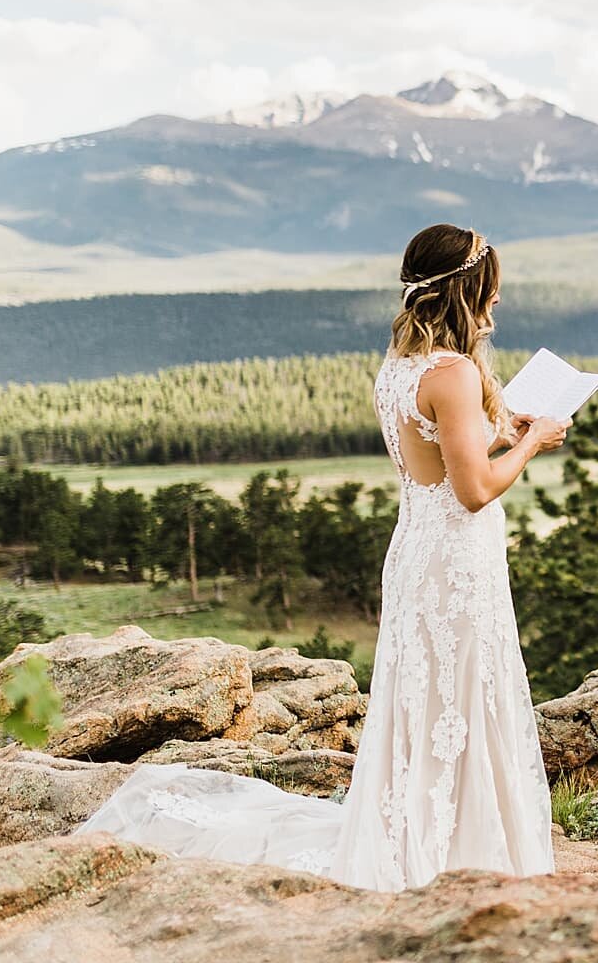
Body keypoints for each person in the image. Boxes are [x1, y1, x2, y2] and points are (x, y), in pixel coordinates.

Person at [78, 224, 570, 891]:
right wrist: (533, 440)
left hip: (422, 552)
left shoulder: (400, 369)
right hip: (454, 560)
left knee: (430, 699)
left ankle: (434, 827)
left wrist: (497, 429)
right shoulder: (452, 373)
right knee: (459, 695)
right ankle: (461, 843)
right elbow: (475, 489)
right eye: (492, 289)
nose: (499, 302)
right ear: (468, 290)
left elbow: (440, 456)